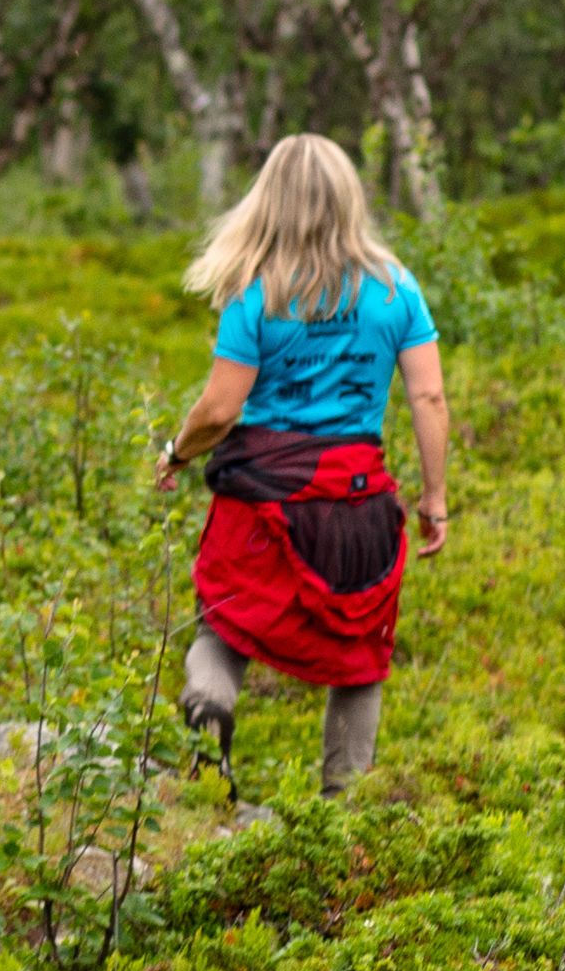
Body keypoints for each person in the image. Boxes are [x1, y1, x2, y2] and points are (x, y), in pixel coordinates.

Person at [156, 131, 450, 796]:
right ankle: (342, 814)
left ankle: (209, 713)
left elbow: (219, 410)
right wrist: (435, 497)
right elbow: (429, 396)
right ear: (351, 198)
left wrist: (176, 452)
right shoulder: (396, 290)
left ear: (268, 201)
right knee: (359, 656)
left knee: (223, 622)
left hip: (260, 498)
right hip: (356, 503)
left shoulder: (253, 294)